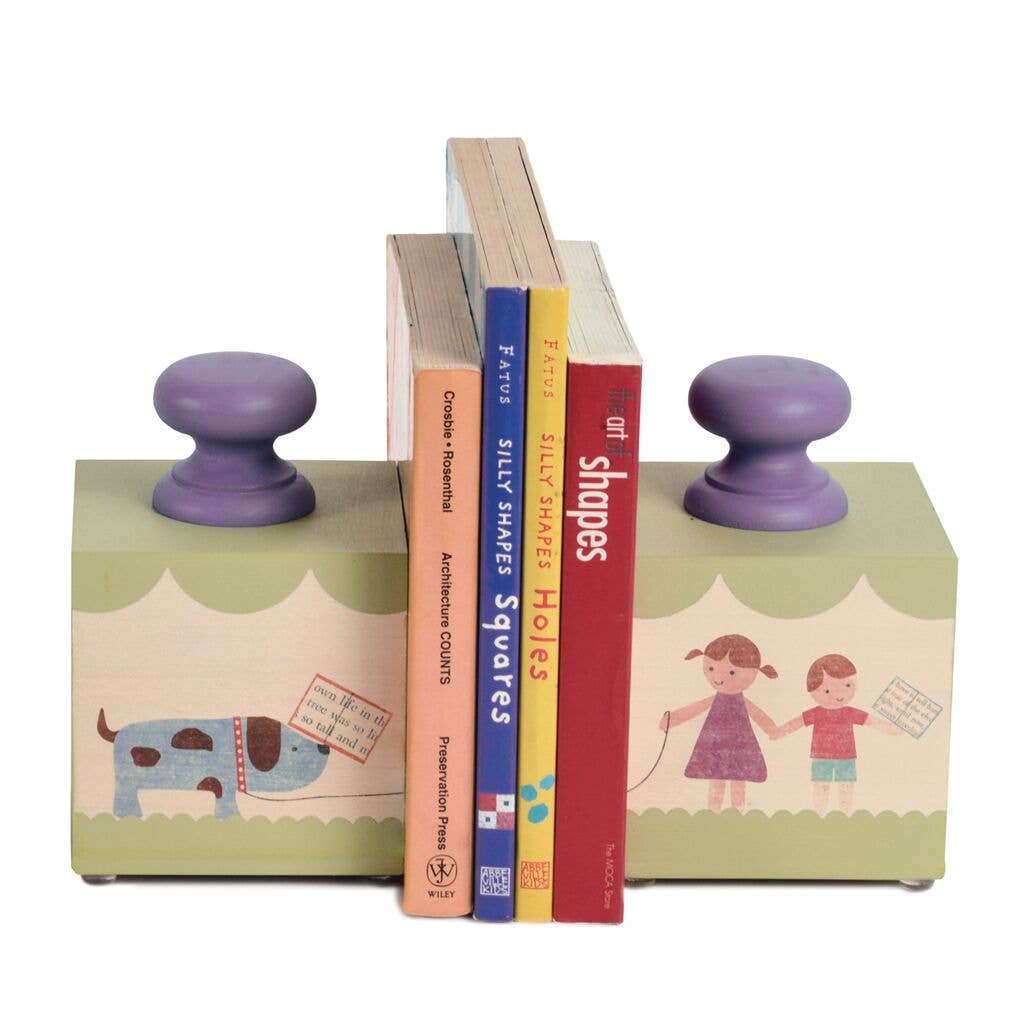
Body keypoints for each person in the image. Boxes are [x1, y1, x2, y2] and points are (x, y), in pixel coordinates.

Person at [661, 634, 779, 812]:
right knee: (717, 780)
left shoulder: (741, 701)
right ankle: (713, 814)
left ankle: (737, 815)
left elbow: (759, 716)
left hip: (740, 747)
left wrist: (772, 729)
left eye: (732, 672)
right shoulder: (715, 699)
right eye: (711, 668)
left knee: (738, 782)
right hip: (716, 746)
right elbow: (695, 709)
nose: (718, 677)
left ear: (754, 672)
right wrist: (672, 720)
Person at [773, 653, 900, 814]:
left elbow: (871, 721)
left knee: (846, 790)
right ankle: (820, 816)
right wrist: (779, 732)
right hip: (821, 757)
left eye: (847, 686)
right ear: (812, 691)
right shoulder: (816, 712)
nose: (839, 695)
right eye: (827, 690)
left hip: (846, 757)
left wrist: (893, 730)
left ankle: (845, 816)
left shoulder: (850, 712)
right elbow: (796, 723)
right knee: (821, 788)